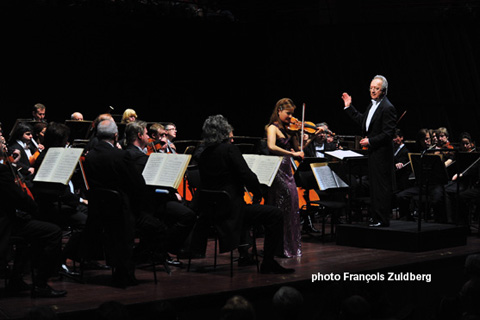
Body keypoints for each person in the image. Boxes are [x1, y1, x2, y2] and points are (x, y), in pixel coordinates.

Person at [191, 114, 295, 274]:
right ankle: (268, 262)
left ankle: (245, 253)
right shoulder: (230, 150)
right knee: (275, 214)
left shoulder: (203, 154)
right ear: (224, 131)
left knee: (245, 208)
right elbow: (247, 175)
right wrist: (258, 192)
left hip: (211, 212)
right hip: (231, 212)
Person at [0, 139, 66, 298]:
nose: (5, 145)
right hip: (5, 224)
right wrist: (36, 208)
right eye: (1, 142)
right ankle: (41, 284)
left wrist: (12, 163)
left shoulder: (5, 167)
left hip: (8, 219)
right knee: (53, 232)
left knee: (30, 233)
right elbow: (18, 197)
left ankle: (16, 279)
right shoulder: (1, 171)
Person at [124, 120, 195, 264]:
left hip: (136, 202)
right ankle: (163, 250)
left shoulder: (125, 154)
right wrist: (171, 194)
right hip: (147, 204)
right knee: (187, 215)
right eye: (145, 134)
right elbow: (151, 185)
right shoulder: (141, 159)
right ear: (139, 135)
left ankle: (152, 250)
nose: (149, 138)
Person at [341, 75, 397, 227]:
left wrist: (370, 141)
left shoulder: (388, 107)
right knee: (374, 186)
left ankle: (382, 219)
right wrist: (349, 107)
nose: (373, 91)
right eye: (371, 88)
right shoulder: (372, 105)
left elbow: (388, 133)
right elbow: (362, 121)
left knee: (381, 187)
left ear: (383, 91)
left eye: (376, 88)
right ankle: (375, 216)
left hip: (382, 154)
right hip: (373, 153)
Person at [265, 98, 304, 257]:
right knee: (281, 205)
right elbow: (271, 146)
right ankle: (278, 248)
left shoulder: (291, 129)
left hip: (288, 171)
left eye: (292, 114)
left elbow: (299, 151)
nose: (291, 117)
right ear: (279, 111)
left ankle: (290, 247)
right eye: (288, 113)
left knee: (292, 207)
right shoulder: (271, 128)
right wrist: (292, 154)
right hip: (277, 170)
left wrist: (310, 137)